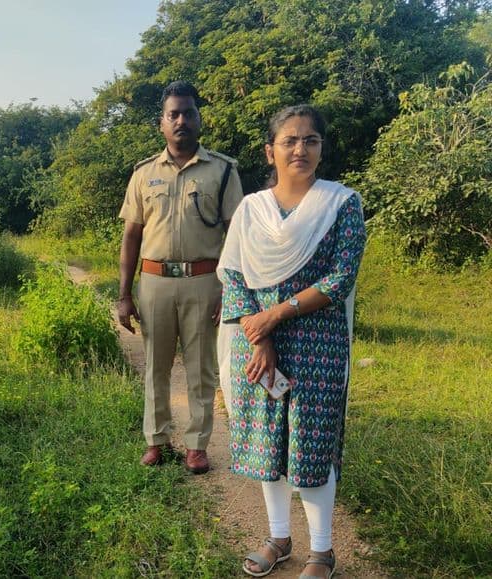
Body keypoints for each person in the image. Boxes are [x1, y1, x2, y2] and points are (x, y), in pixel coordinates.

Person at [217, 105, 366, 579]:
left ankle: (322, 551)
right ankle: (279, 537)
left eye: (311, 140)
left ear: (321, 149)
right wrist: (259, 335)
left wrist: (277, 314)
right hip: (258, 342)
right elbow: (235, 273)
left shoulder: (341, 204)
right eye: (289, 140)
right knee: (268, 443)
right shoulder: (251, 209)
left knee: (312, 443)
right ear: (271, 150)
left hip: (317, 343)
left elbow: (340, 277)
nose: (300, 149)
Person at [117, 80, 243, 474]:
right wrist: (124, 294)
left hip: (204, 281)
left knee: (200, 367)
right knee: (155, 364)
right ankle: (156, 440)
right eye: (173, 114)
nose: (181, 120)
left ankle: (196, 445)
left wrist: (231, 288)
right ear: (162, 123)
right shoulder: (143, 173)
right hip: (154, 282)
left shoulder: (222, 171)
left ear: (199, 118)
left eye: (188, 113)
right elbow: (131, 234)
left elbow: (237, 234)